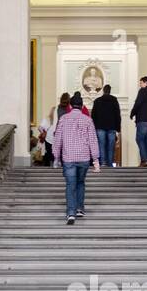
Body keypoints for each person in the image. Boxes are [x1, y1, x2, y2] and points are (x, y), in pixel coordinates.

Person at [53, 92, 100, 225]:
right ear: (82, 106)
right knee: (80, 183)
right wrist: (95, 160)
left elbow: (58, 139)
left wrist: (56, 157)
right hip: (84, 157)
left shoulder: (63, 119)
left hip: (68, 158)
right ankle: (79, 208)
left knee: (70, 185)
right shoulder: (88, 120)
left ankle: (71, 213)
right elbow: (92, 140)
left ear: (70, 105)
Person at [130, 76, 147, 166]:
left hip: (143, 120)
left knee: (139, 139)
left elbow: (138, 103)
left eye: (141, 83)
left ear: (146, 83)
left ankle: (144, 160)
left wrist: (132, 113)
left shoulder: (142, 91)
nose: (140, 85)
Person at [91, 84, 122, 168]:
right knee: (111, 146)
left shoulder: (97, 101)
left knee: (101, 145)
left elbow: (93, 116)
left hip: (100, 126)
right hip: (112, 126)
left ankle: (103, 162)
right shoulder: (114, 100)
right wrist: (118, 128)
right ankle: (110, 163)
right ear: (110, 91)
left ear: (103, 91)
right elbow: (117, 115)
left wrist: (94, 127)